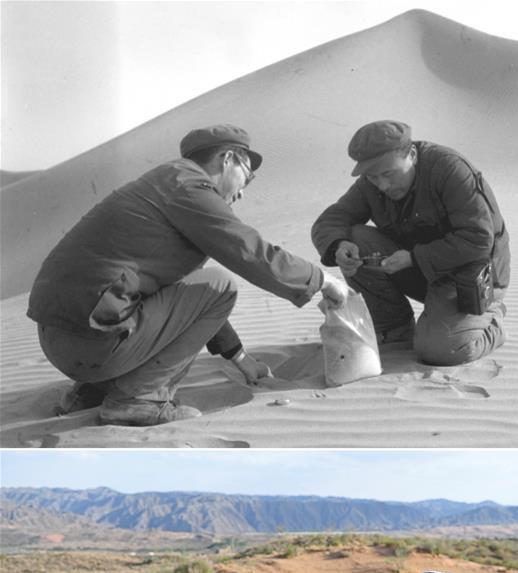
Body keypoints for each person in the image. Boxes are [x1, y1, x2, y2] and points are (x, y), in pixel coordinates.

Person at [27, 124, 349, 427]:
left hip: (60, 340)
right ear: (228, 159)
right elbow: (250, 251)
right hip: (93, 344)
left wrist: (241, 359)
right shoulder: (188, 187)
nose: (242, 193)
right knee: (222, 285)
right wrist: (322, 280)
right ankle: (140, 399)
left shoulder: (161, 186)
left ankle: (89, 393)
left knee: (191, 288)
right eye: (247, 177)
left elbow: (184, 303)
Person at [311, 120, 511, 366]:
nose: (382, 185)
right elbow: (331, 221)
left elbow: (478, 240)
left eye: (388, 174)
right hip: (422, 272)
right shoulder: (371, 184)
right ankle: (394, 329)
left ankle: (493, 322)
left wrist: (414, 258)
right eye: (373, 177)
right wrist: (338, 246)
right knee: (355, 237)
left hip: (472, 276)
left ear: (412, 155)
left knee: (440, 351)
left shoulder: (449, 169)